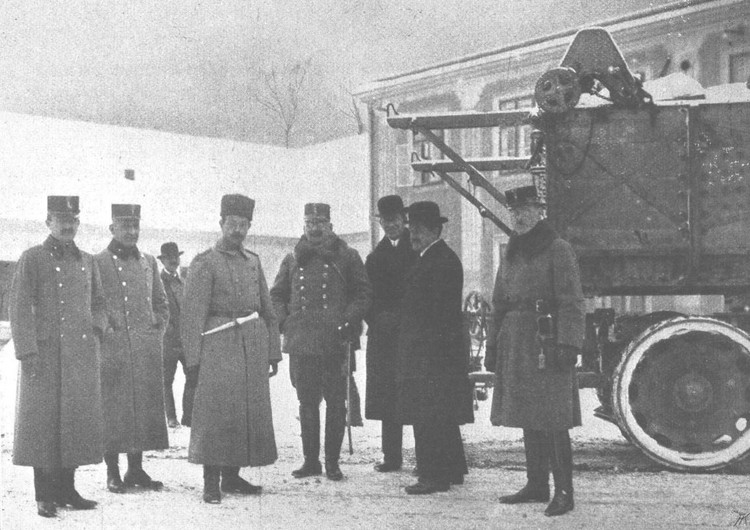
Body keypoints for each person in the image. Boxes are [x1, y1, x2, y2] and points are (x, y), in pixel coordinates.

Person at [484, 184, 585, 517]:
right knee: (529, 413)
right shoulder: (511, 250)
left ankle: (564, 492)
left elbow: (571, 301)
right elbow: (498, 301)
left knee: (554, 416)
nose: (519, 217)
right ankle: (537, 484)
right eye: (514, 212)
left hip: (546, 340)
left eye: (525, 210)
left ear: (539, 211)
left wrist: (568, 343)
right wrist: (493, 343)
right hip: (516, 341)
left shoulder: (558, 248)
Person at [9, 196, 107, 518]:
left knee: (75, 423)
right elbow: (20, 306)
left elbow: (100, 303)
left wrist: (96, 330)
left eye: (73, 219)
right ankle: (44, 495)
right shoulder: (32, 258)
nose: (68, 225)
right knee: (43, 425)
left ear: (78, 223)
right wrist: (26, 350)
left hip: (80, 356)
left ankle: (67, 490)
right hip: (44, 357)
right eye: (60, 218)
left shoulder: (88, 261)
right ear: (48, 221)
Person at [181, 194, 281, 504]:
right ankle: (211, 481)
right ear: (221, 223)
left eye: (243, 225)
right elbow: (191, 315)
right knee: (215, 414)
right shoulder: (205, 262)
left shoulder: (253, 261)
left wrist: (272, 351)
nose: (238, 230)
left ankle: (233, 476)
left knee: (244, 413)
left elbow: (267, 308)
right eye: (232, 224)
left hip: (251, 348)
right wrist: (193, 360)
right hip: (217, 347)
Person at [271, 203, 371, 481]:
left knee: (336, 403)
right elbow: (276, 295)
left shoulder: (347, 256)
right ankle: (311, 461)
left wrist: (347, 320)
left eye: (320, 222)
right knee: (306, 402)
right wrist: (285, 321)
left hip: (334, 340)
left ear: (330, 225)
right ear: (303, 225)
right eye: (309, 222)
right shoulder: (292, 258)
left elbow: (363, 294)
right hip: (302, 341)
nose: (314, 228)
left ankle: (332, 463)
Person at [396, 201, 473, 495]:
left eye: (419, 230)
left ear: (434, 230)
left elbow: (435, 312)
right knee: (442, 413)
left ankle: (432, 475)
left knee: (427, 414)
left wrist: (422, 348)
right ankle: (452, 470)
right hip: (437, 351)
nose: (412, 235)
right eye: (411, 229)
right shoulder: (436, 257)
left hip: (431, 352)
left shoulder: (438, 260)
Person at [95, 204, 170, 494]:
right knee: (113, 410)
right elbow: (93, 303)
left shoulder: (149, 261)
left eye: (135, 226)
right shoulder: (97, 261)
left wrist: (156, 329)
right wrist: (105, 330)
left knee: (141, 408)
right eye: (124, 226)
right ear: (112, 228)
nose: (131, 231)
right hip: (112, 351)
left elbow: (161, 303)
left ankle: (135, 470)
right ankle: (112, 472)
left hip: (144, 350)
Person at [364, 195, 417, 472]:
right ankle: (391, 456)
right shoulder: (374, 257)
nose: (391, 225)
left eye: (395, 220)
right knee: (388, 395)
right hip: (384, 336)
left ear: (403, 220)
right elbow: (367, 295)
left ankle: (426, 458)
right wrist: (375, 319)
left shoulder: (417, 250)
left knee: (417, 393)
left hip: (412, 333)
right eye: (386, 221)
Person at [157, 241, 196, 428]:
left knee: (193, 376)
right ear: (162, 260)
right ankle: (171, 418)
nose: (173, 261)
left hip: (185, 339)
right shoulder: (156, 282)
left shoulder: (185, 281)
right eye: (169, 258)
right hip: (167, 340)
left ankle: (188, 416)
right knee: (166, 380)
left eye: (176, 257)